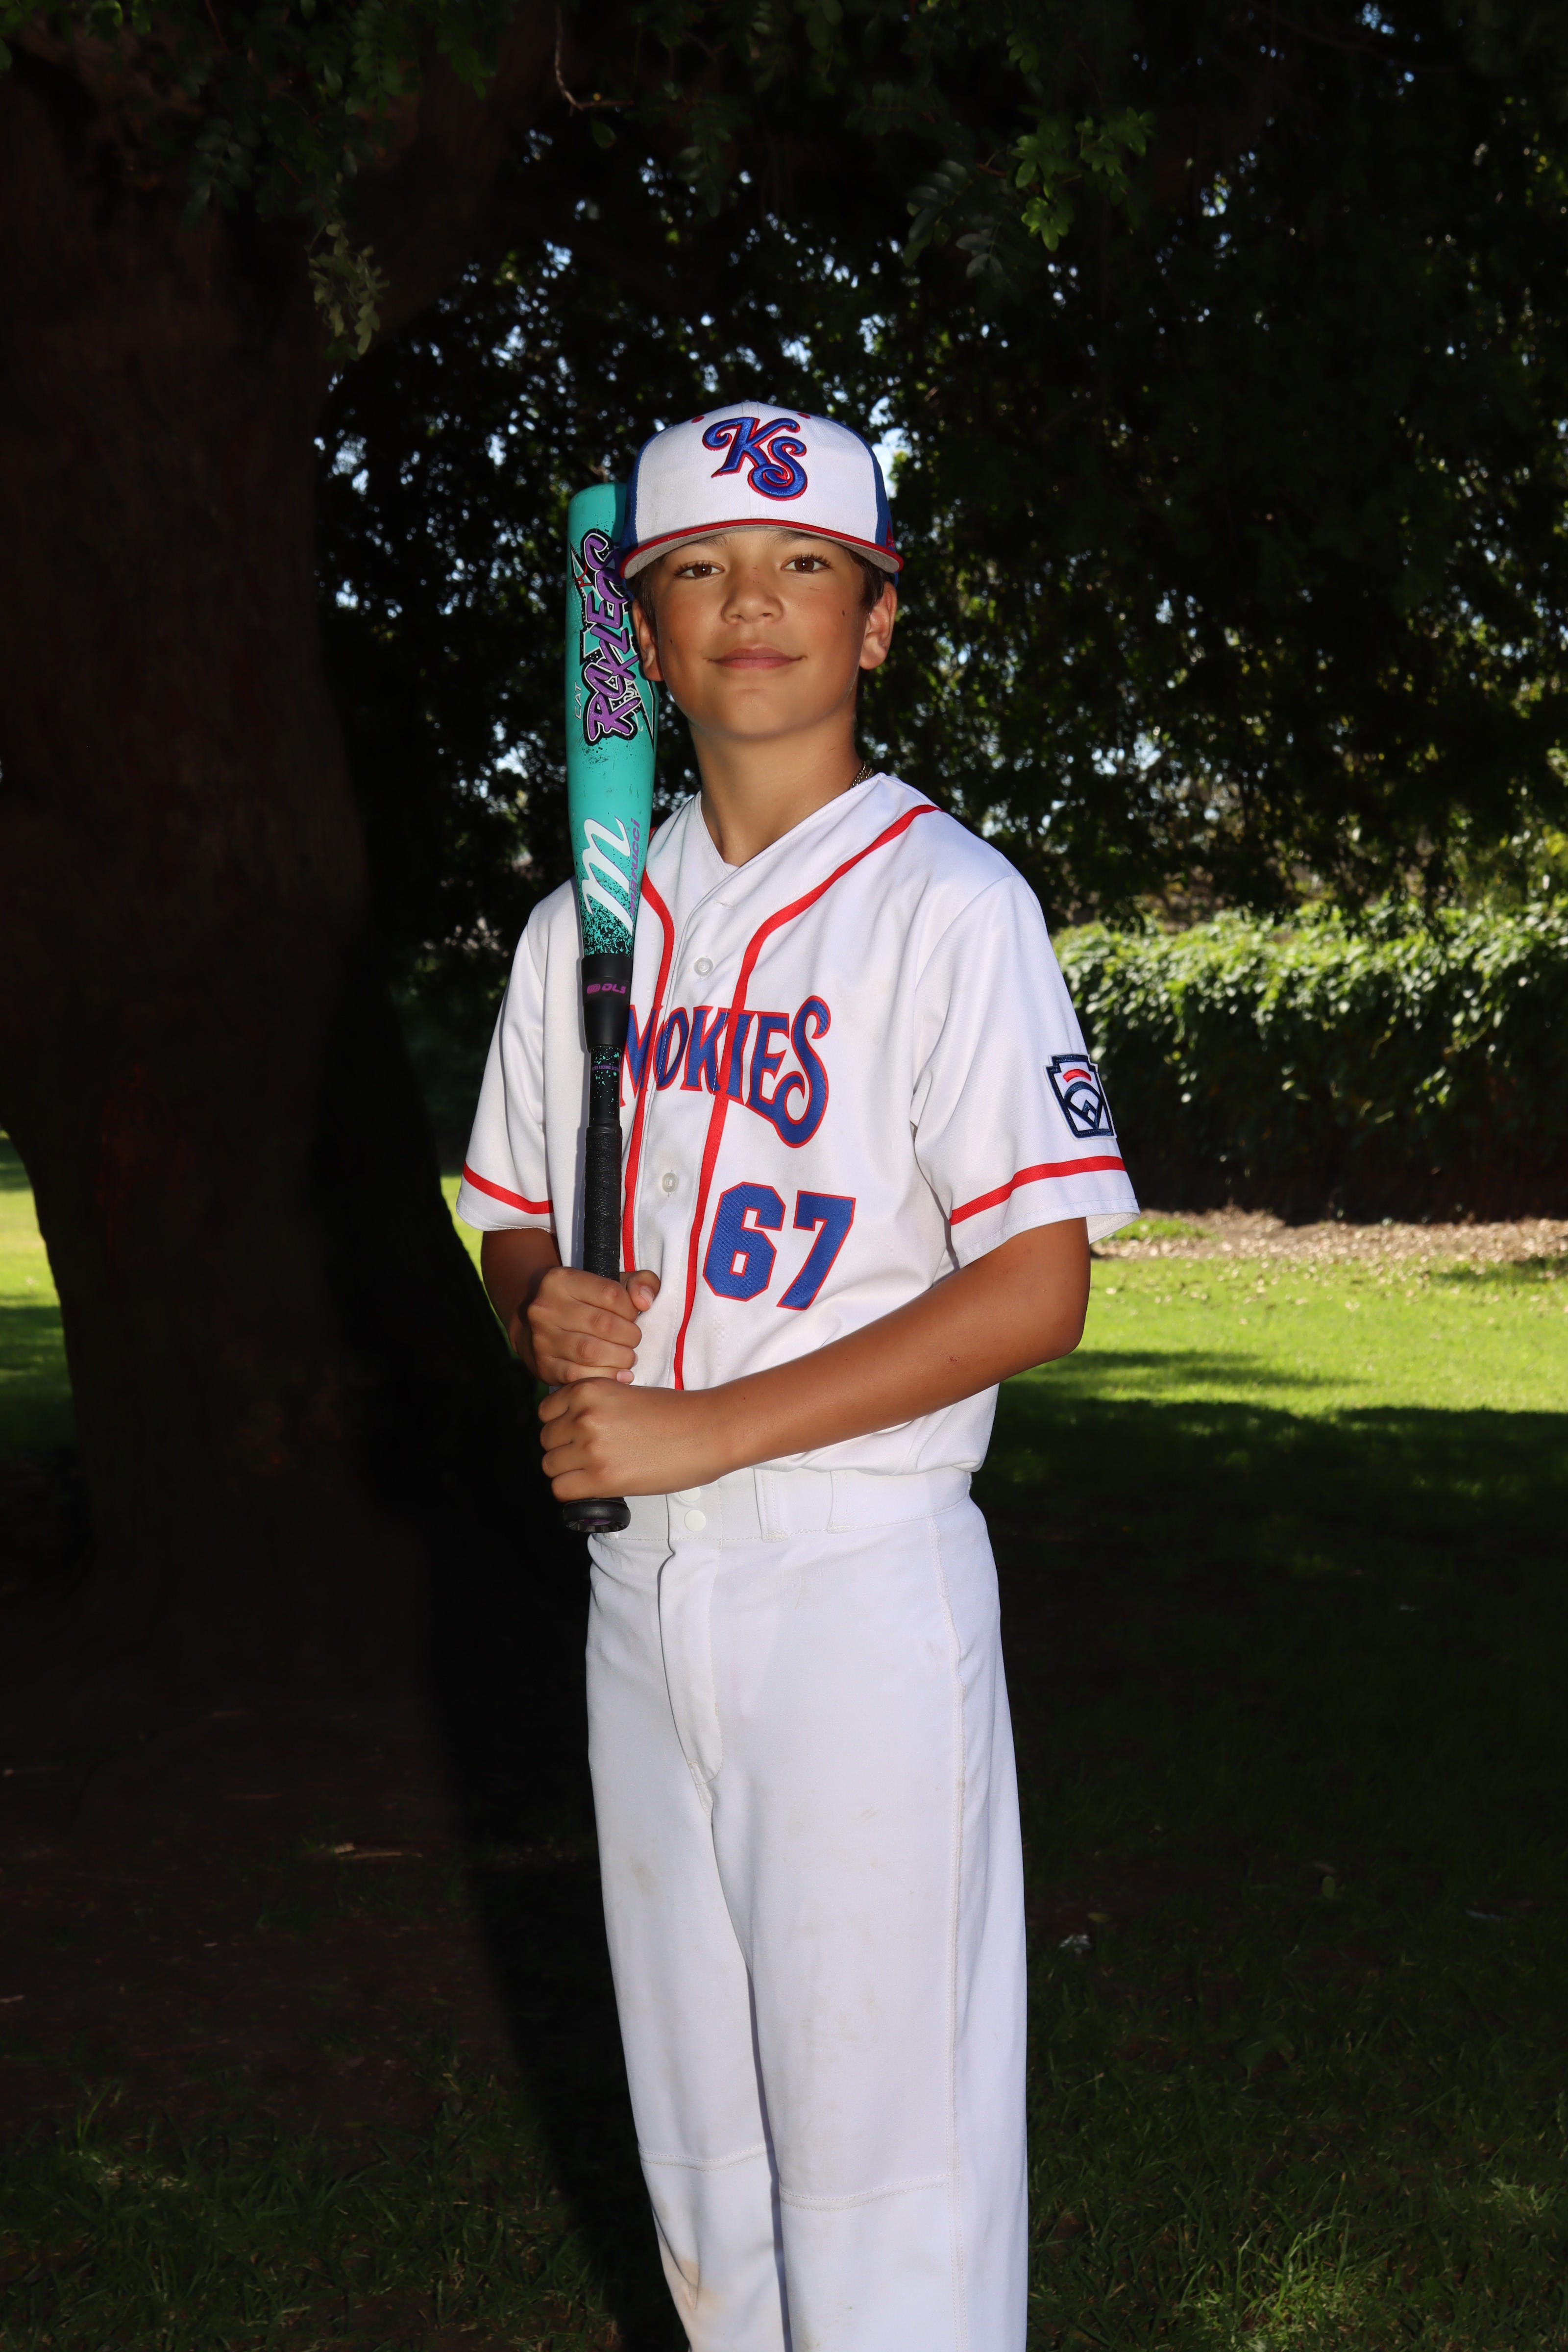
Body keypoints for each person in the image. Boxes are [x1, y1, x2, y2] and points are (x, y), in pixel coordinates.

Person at [457, 403, 1139, 2352]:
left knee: (881, 2176)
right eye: (699, 569)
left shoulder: (949, 905)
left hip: (853, 1581)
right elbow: (513, 1219)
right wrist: (541, 1307)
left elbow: (1038, 1286)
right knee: (710, 2174)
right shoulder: (579, 932)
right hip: (637, 1594)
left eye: (805, 565)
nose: (751, 600)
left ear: (877, 622)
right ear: (645, 640)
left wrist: (702, 1425)